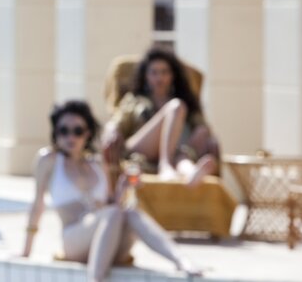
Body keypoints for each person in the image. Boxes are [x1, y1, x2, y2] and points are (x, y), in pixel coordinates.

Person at [22, 100, 200, 282]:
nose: (70, 137)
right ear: (56, 132)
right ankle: (96, 279)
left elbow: (111, 206)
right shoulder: (49, 160)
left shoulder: (98, 163)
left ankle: (182, 260)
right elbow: (37, 205)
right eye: (64, 131)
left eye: (77, 131)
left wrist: (124, 188)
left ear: (87, 133)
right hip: (74, 239)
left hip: (107, 241)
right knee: (115, 213)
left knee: (129, 212)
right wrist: (26, 251)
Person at [101, 47, 218, 186]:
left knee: (191, 144)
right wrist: (111, 129)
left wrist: (202, 134)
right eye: (154, 72)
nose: (159, 78)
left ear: (173, 75)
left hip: (177, 150)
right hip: (139, 149)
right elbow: (116, 121)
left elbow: (202, 126)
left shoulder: (187, 101)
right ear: (146, 76)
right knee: (176, 107)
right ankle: (165, 165)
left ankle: (190, 172)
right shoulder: (134, 100)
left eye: (164, 72)